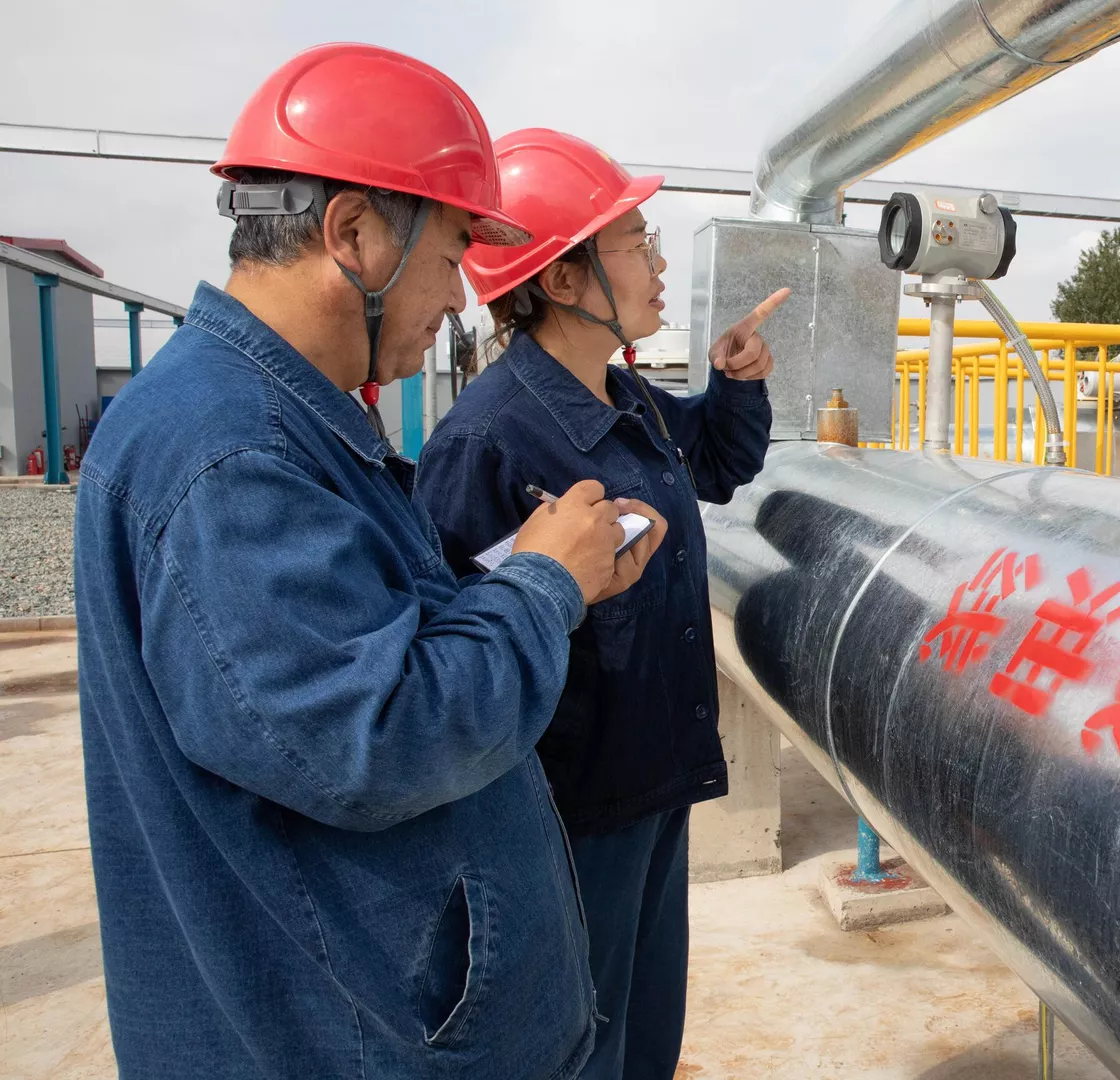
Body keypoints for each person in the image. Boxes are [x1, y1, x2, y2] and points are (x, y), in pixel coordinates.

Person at [74, 46, 664, 1080]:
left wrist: (516, 581)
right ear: (354, 234)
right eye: (449, 255)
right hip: (350, 1041)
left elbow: (326, 675)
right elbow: (376, 736)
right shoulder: (233, 454)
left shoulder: (268, 421)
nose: (461, 296)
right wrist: (544, 585)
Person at [413, 128, 783, 1080]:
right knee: (580, 1046)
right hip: (569, 812)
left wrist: (734, 383)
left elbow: (719, 463)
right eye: (636, 244)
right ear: (566, 280)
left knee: (644, 1034)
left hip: (652, 779)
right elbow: (455, 652)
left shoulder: (630, 400)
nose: (658, 265)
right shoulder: (486, 443)